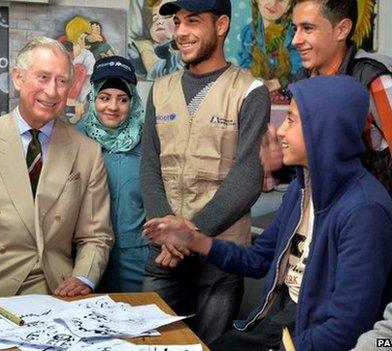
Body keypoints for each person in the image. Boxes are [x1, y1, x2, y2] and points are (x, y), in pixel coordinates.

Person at [144, 75, 392, 351]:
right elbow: (259, 259)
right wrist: (193, 240)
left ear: (324, 130)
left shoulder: (365, 211)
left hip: (307, 337)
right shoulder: (302, 188)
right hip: (278, 325)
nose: (281, 131)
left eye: (292, 120)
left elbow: (345, 329)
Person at [0, 36, 114, 315]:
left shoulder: (87, 152)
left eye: (62, 81)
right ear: (17, 78)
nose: (52, 91)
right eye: (43, 77)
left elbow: (96, 235)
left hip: (55, 291)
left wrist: (83, 277)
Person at [140, 0, 270, 344]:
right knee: (152, 343)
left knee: (212, 346)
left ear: (222, 25)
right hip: (164, 255)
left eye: (193, 21)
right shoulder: (160, 90)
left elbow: (247, 179)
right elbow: (150, 167)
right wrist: (169, 234)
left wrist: (189, 235)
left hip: (220, 254)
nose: (181, 32)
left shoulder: (250, 92)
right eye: (178, 22)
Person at [261, 0, 392, 196]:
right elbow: (313, 161)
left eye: (307, 28)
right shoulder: (302, 82)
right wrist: (279, 163)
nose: (295, 40)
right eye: (295, 29)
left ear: (342, 30)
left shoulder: (374, 80)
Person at [77, 56, 148, 292]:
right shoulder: (73, 139)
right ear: (93, 97)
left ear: (133, 102)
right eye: (104, 98)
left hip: (136, 262)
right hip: (80, 262)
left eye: (123, 99)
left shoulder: (149, 142)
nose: (113, 107)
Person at [238, 0, 301, 93]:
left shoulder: (294, 35)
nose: (273, 3)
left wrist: (279, 82)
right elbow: (245, 64)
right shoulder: (248, 33)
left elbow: (300, 71)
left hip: (288, 94)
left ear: (289, 6)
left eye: (281, 0)